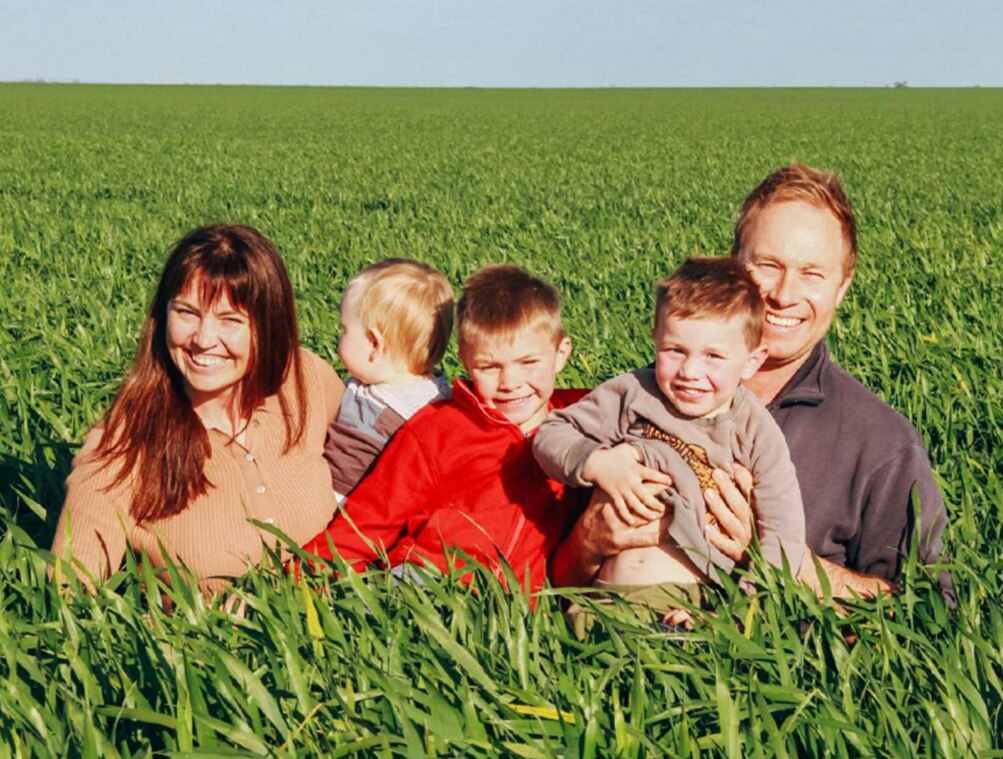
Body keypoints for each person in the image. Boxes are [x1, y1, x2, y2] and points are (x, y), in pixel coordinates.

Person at [554, 163, 948, 601]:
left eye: (812, 274)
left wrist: (780, 562)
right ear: (735, 266)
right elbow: (549, 590)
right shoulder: (651, 391)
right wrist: (588, 541)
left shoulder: (880, 443)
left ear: (842, 287)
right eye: (768, 265)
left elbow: (928, 615)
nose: (784, 293)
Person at [50, 224, 345, 594]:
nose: (204, 340)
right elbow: (69, 593)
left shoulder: (304, 380)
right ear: (163, 317)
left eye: (230, 320)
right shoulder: (125, 443)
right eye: (187, 313)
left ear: (268, 326)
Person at [535, 258, 804, 631]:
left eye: (713, 356)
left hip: (687, 608)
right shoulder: (633, 392)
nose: (690, 371)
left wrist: (738, 613)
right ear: (655, 339)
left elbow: (782, 534)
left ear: (751, 361)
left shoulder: (756, 431)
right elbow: (552, 434)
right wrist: (598, 462)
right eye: (675, 350)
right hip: (602, 601)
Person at [302, 264, 587, 592]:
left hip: (516, 608)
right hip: (428, 580)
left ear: (561, 354)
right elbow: (371, 517)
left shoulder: (585, 417)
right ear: (466, 360)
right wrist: (304, 580)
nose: (511, 383)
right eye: (489, 367)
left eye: (528, 363)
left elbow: (650, 395)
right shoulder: (439, 429)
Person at [325, 259, 453, 501]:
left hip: (341, 512)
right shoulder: (441, 402)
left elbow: (341, 485)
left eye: (344, 330)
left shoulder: (379, 416)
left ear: (374, 343)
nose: (339, 338)